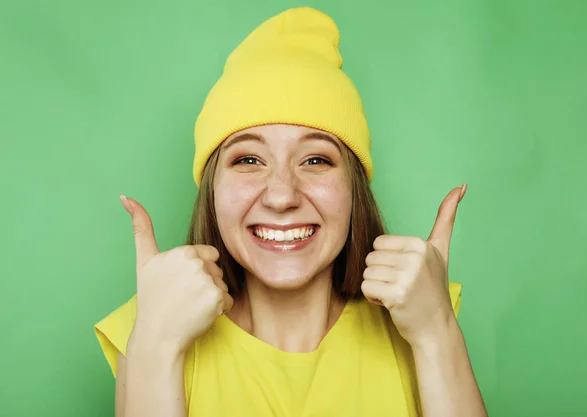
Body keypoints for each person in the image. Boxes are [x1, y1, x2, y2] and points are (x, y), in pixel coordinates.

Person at [94, 7, 488, 417]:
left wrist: (437, 333)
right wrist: (155, 342)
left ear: (354, 188)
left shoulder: (424, 316)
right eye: (248, 160)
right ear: (211, 188)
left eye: (316, 160)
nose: (281, 196)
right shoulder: (150, 326)